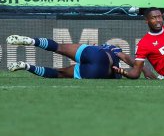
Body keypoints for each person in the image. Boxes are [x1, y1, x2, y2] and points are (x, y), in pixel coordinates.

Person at [6, 35, 156, 79]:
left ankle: (33, 41)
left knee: (59, 47)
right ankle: (26, 66)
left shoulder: (105, 47)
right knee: (59, 73)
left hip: (93, 53)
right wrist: (142, 69)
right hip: (100, 71)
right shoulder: (116, 51)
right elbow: (128, 59)